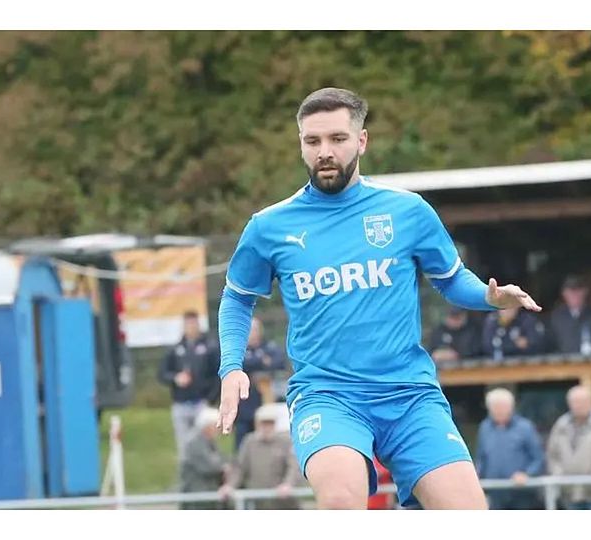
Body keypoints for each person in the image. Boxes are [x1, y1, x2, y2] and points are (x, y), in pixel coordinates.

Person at [216, 87, 542, 510]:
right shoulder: (270, 226)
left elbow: (451, 279)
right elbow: (237, 298)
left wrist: (489, 298)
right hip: (328, 394)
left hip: (408, 393)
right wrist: (231, 367)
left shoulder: (407, 211)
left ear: (362, 141)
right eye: (312, 142)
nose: (324, 152)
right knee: (340, 502)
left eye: (337, 139)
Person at [157, 311, 221, 462]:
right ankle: (187, 479)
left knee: (205, 441)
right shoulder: (175, 349)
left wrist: (211, 399)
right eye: (188, 324)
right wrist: (175, 378)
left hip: (201, 402)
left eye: (194, 324)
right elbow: (162, 373)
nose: (191, 327)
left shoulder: (209, 348)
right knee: (184, 445)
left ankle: (209, 475)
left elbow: (217, 375)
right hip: (181, 403)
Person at [546, 385, 591, 510]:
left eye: (582, 401)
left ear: (590, 402)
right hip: (569, 492)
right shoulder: (561, 424)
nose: (578, 405)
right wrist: (558, 473)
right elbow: (552, 454)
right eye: (575, 402)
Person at [219, 405, 301, 510]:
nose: (267, 427)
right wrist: (230, 486)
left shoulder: (285, 441)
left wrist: (288, 484)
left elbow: (294, 466)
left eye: (270, 423)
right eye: (264, 423)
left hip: (283, 501)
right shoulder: (249, 442)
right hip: (257, 501)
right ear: (257, 424)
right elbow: (240, 467)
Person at [475, 388, 544, 509]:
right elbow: (481, 458)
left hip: (521, 493)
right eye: (495, 407)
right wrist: (476, 479)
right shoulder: (484, 428)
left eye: (502, 406)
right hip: (494, 492)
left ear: (511, 407)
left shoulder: (525, 427)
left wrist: (527, 474)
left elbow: (538, 458)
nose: (499, 410)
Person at [235, 317, 287, 450]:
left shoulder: (269, 346)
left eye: (255, 330)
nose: (252, 333)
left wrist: (257, 365)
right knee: (243, 441)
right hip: (245, 403)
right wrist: (261, 361)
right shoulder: (238, 350)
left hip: (266, 400)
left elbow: (279, 362)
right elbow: (241, 365)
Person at [548, 275, 591, 355]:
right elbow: (550, 346)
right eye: (571, 291)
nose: (575, 295)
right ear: (564, 294)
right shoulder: (557, 317)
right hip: (565, 364)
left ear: (585, 291)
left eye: (578, 290)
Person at [180, 406, 230, 510]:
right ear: (207, 426)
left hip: (208, 494)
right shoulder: (195, 442)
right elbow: (209, 466)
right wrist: (224, 466)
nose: (219, 429)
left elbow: (222, 459)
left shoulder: (210, 443)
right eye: (216, 425)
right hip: (196, 495)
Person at [480, 306, 547, 361]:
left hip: (524, 363)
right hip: (497, 363)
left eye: (511, 306)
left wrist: (526, 344)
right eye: (503, 307)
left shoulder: (527, 320)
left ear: (517, 307)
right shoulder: (492, 320)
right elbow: (487, 346)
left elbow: (536, 343)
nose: (507, 310)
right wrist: (514, 344)